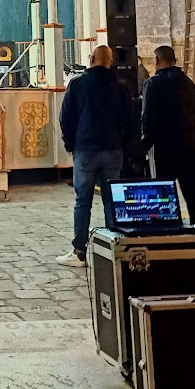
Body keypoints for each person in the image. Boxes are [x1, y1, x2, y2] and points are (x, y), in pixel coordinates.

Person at [57, 43, 137, 267]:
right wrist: (125, 147)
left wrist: (71, 144)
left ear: (91, 58)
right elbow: (130, 121)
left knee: (83, 201)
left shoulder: (78, 84)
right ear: (110, 61)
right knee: (112, 201)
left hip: (85, 151)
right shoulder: (120, 87)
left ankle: (79, 252)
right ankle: (115, 249)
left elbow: (65, 118)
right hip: (113, 150)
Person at [142, 45, 195, 225]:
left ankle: (167, 232)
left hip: (165, 147)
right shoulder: (189, 83)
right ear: (175, 61)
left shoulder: (153, 84)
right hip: (190, 145)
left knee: (164, 194)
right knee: (193, 195)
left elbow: (148, 118)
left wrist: (144, 145)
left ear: (156, 60)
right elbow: (193, 113)